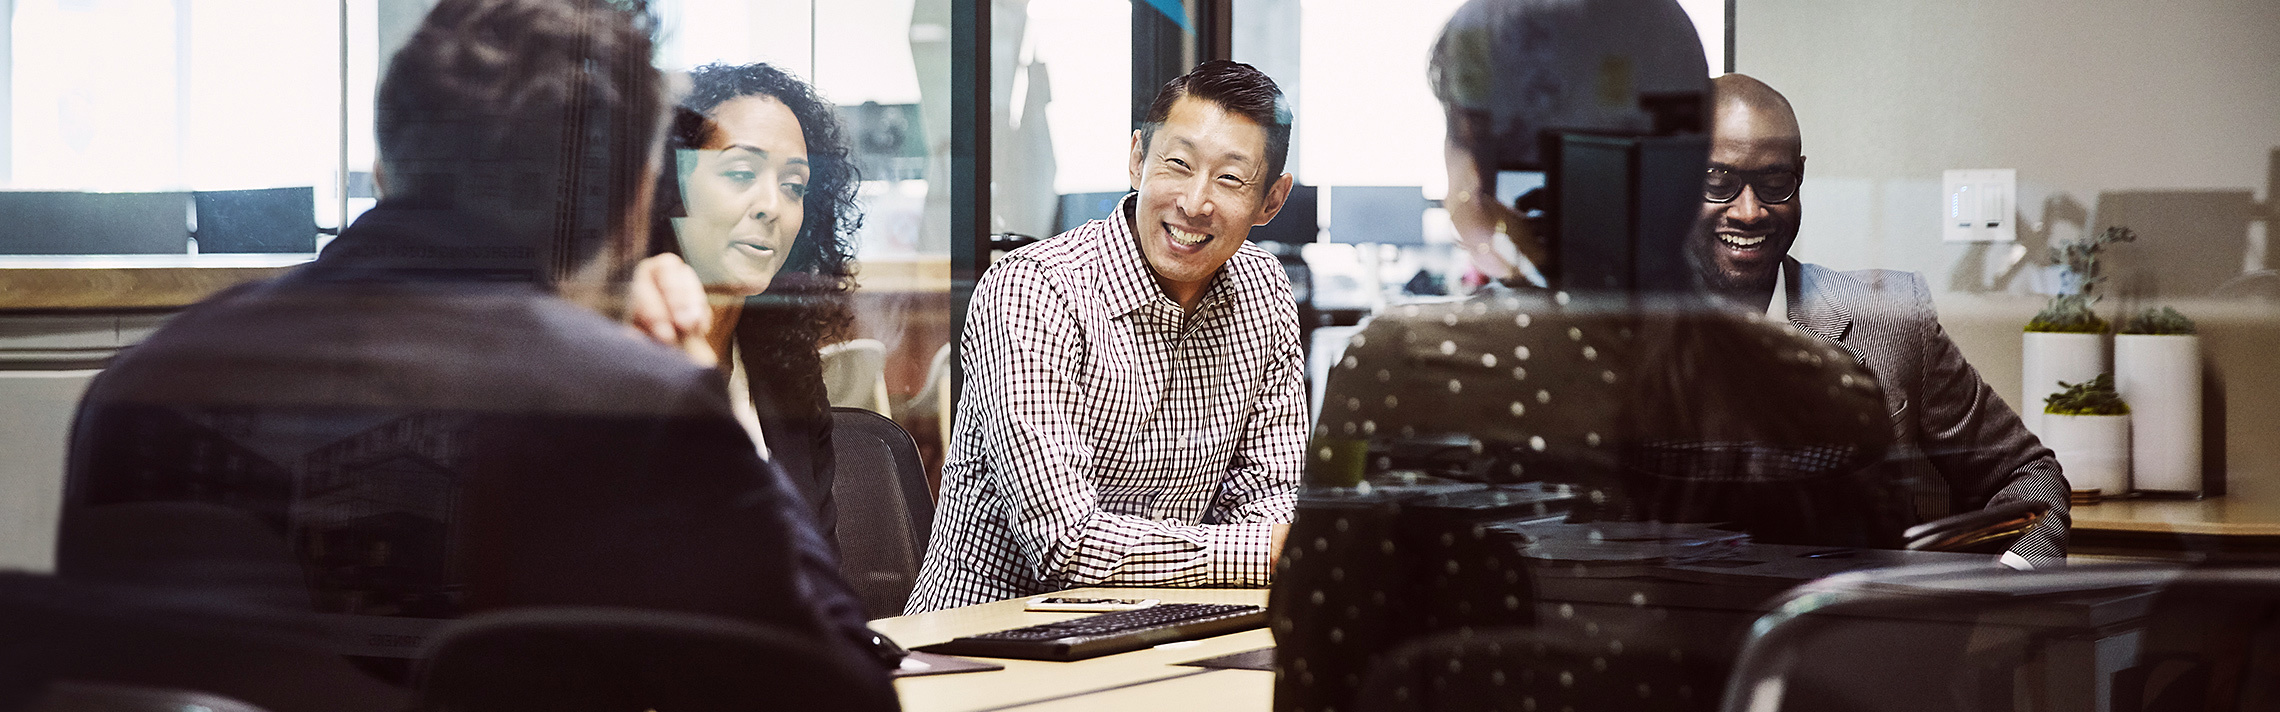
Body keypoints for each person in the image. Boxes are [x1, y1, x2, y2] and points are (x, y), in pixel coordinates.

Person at [56, 0, 886, 685]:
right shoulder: (628, 404)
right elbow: (842, 688)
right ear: (639, 196)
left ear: (386, 165)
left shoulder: (139, 387)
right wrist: (697, 384)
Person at [903, 60, 1306, 612]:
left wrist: (1268, 546)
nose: (1194, 202)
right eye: (1178, 164)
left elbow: (1270, 500)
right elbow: (1064, 543)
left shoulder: (1264, 291)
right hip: (989, 643)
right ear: (1138, 159)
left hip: (1170, 630)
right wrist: (1258, 553)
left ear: (1272, 201)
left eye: (1231, 179)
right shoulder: (1035, 290)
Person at [1684, 73, 2070, 561]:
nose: (1750, 211)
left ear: (1799, 174)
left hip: (1856, 626)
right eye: (1718, 181)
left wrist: (2009, 587)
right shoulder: (1617, 333)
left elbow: (2030, 479)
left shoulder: (1889, 317)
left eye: (1774, 182)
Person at [633, 62, 862, 538]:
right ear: (670, 187)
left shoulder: (789, 379)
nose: (772, 207)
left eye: (794, 186)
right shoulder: (616, 358)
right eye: (741, 173)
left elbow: (819, 579)